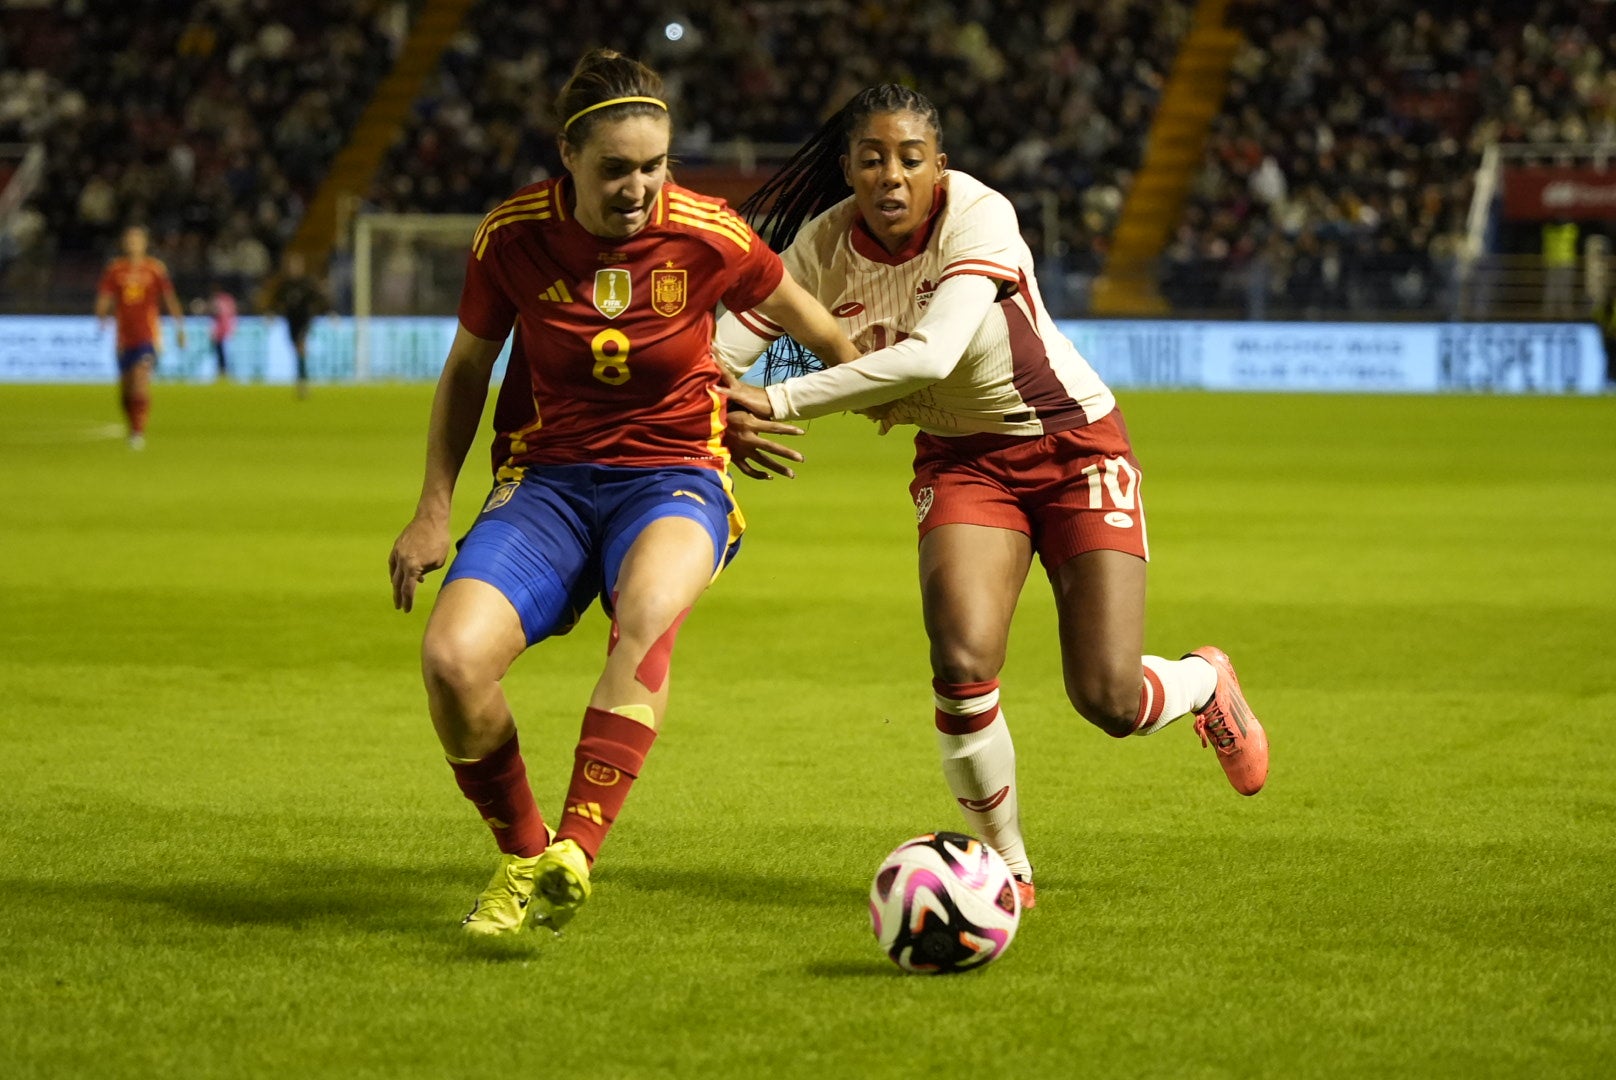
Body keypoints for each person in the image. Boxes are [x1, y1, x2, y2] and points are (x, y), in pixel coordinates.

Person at [718, 85, 1271, 909]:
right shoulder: (822, 245)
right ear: (848, 169)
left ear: (938, 164)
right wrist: (717, 409)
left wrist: (780, 399)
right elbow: (723, 351)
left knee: (1110, 699)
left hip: (1073, 446)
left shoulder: (979, 214)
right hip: (964, 462)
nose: (892, 176)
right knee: (962, 660)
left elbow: (934, 357)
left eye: (911, 158)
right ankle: (1006, 869)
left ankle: (1202, 682)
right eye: (872, 159)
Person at [387, 48, 857, 939]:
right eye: (615, 169)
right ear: (568, 159)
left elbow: (811, 323)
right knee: (452, 662)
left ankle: (577, 848)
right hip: (547, 485)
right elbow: (465, 373)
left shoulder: (710, 232)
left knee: (645, 615)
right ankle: (525, 857)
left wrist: (839, 391)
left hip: (677, 475)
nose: (639, 187)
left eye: (655, 165)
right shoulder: (512, 237)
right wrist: (433, 509)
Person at [95, 225, 186, 449]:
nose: (133, 244)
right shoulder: (116, 269)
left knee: (140, 380)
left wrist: (179, 327)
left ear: (145, 243)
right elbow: (104, 297)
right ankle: (132, 423)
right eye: (129, 240)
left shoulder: (155, 269)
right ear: (124, 243)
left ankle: (137, 433)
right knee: (126, 390)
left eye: (137, 240)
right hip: (124, 338)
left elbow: (169, 298)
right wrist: (101, 314)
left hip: (148, 335)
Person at [270, 251, 328, 397]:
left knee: (301, 348)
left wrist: (327, 312)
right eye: (291, 265)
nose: (294, 268)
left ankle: (303, 383)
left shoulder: (306, 284)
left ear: (301, 267)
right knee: (296, 350)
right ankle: (301, 380)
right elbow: (277, 302)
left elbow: (318, 299)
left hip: (304, 320)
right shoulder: (285, 285)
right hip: (290, 321)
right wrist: (271, 313)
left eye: (297, 265)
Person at [207, 282, 238, 380]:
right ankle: (222, 370)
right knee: (221, 351)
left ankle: (222, 370)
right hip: (225, 329)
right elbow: (233, 312)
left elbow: (215, 311)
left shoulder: (218, 299)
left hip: (220, 330)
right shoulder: (228, 299)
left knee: (221, 351)